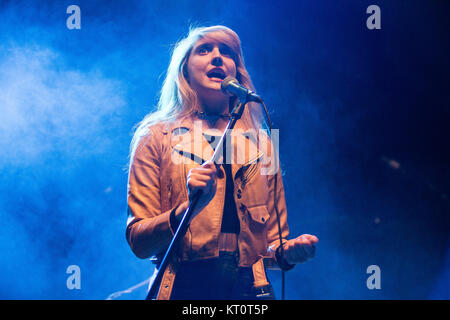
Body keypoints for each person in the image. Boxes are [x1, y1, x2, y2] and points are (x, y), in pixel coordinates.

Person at [126, 25, 319, 300]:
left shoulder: (262, 143)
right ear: (184, 69)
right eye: (204, 50)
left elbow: (273, 243)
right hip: (185, 287)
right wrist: (185, 212)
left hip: (250, 291)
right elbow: (138, 241)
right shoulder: (156, 135)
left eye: (226, 52)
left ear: (237, 73)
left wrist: (289, 252)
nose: (217, 57)